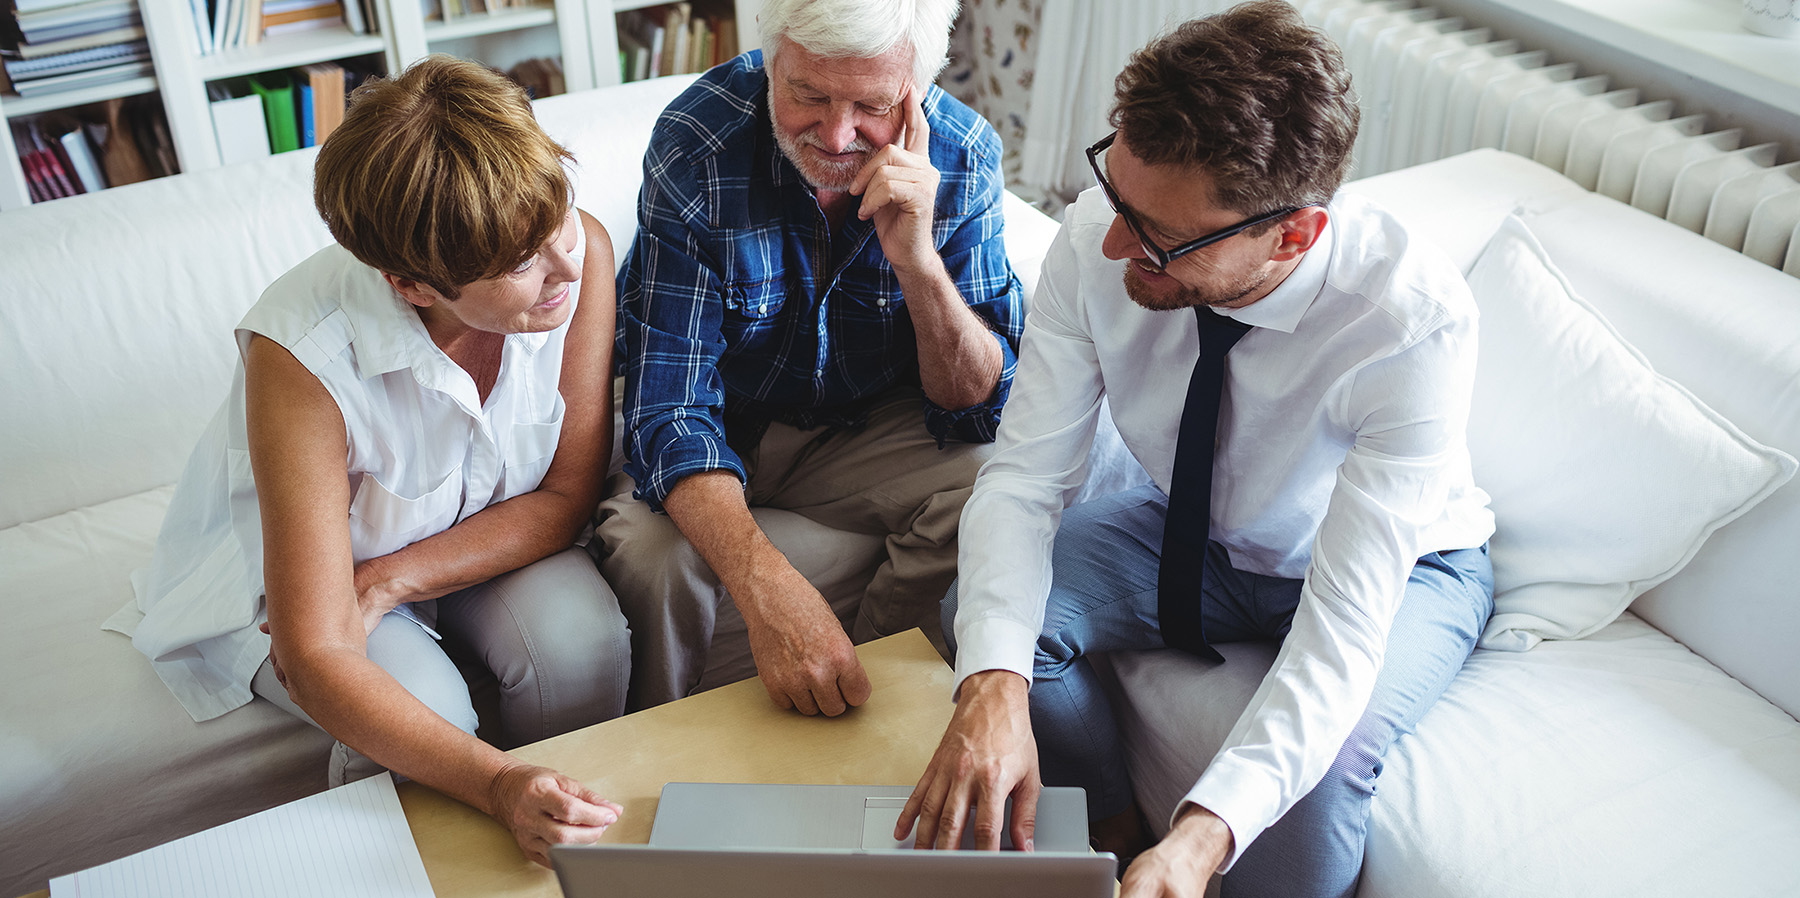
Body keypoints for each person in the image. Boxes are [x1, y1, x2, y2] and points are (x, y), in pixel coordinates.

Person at [899, 4, 1498, 897]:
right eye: (1117, 195)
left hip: (1404, 568)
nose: (1110, 243)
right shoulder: (1094, 238)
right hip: (1194, 534)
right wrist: (994, 685)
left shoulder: (1410, 324)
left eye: (1157, 238)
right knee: (986, 626)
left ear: (1291, 234)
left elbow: (1341, 630)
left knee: (1310, 784)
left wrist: (1202, 835)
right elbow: (1025, 479)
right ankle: (1104, 833)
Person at [116, 55, 631, 867]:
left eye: (558, 218)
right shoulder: (302, 357)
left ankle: (585, 851)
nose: (568, 264)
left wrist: (392, 579)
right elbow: (317, 653)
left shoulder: (578, 255)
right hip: (291, 583)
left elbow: (567, 493)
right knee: (425, 708)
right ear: (412, 285)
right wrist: (497, 784)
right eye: (521, 264)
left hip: (470, 536)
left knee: (584, 641)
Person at [597, 0, 1024, 717]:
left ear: (916, 91)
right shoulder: (697, 142)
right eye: (808, 94)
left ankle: (870, 703)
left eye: (872, 105)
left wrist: (917, 263)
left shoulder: (963, 152)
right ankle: (654, 749)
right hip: (722, 424)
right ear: (772, 60)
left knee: (997, 480)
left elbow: (981, 406)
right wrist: (773, 590)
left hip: (861, 433)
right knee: (651, 556)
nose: (836, 133)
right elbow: (668, 407)